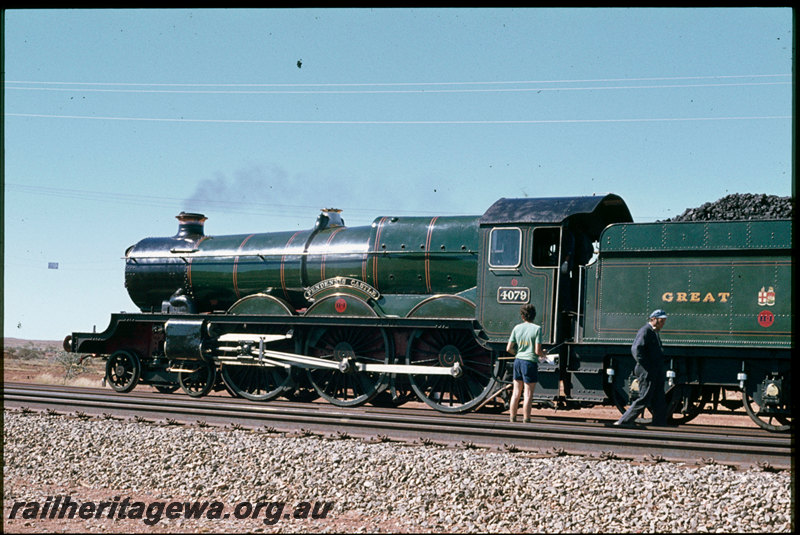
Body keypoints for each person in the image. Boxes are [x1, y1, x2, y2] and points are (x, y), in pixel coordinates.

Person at [614, 309, 668, 427]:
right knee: (644, 397)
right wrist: (647, 366)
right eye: (661, 321)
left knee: (658, 398)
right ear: (653, 319)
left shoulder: (654, 332)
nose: (663, 323)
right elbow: (636, 350)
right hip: (647, 371)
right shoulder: (645, 331)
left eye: (664, 321)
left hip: (654, 370)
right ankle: (624, 421)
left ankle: (660, 423)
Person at [506, 303, 547, 423]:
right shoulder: (537, 329)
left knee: (516, 392)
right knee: (528, 394)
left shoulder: (517, 328)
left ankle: (512, 419)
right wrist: (543, 354)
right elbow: (537, 351)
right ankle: (526, 420)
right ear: (533, 316)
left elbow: (508, 348)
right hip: (529, 363)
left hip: (518, 361)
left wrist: (518, 354)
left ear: (522, 316)